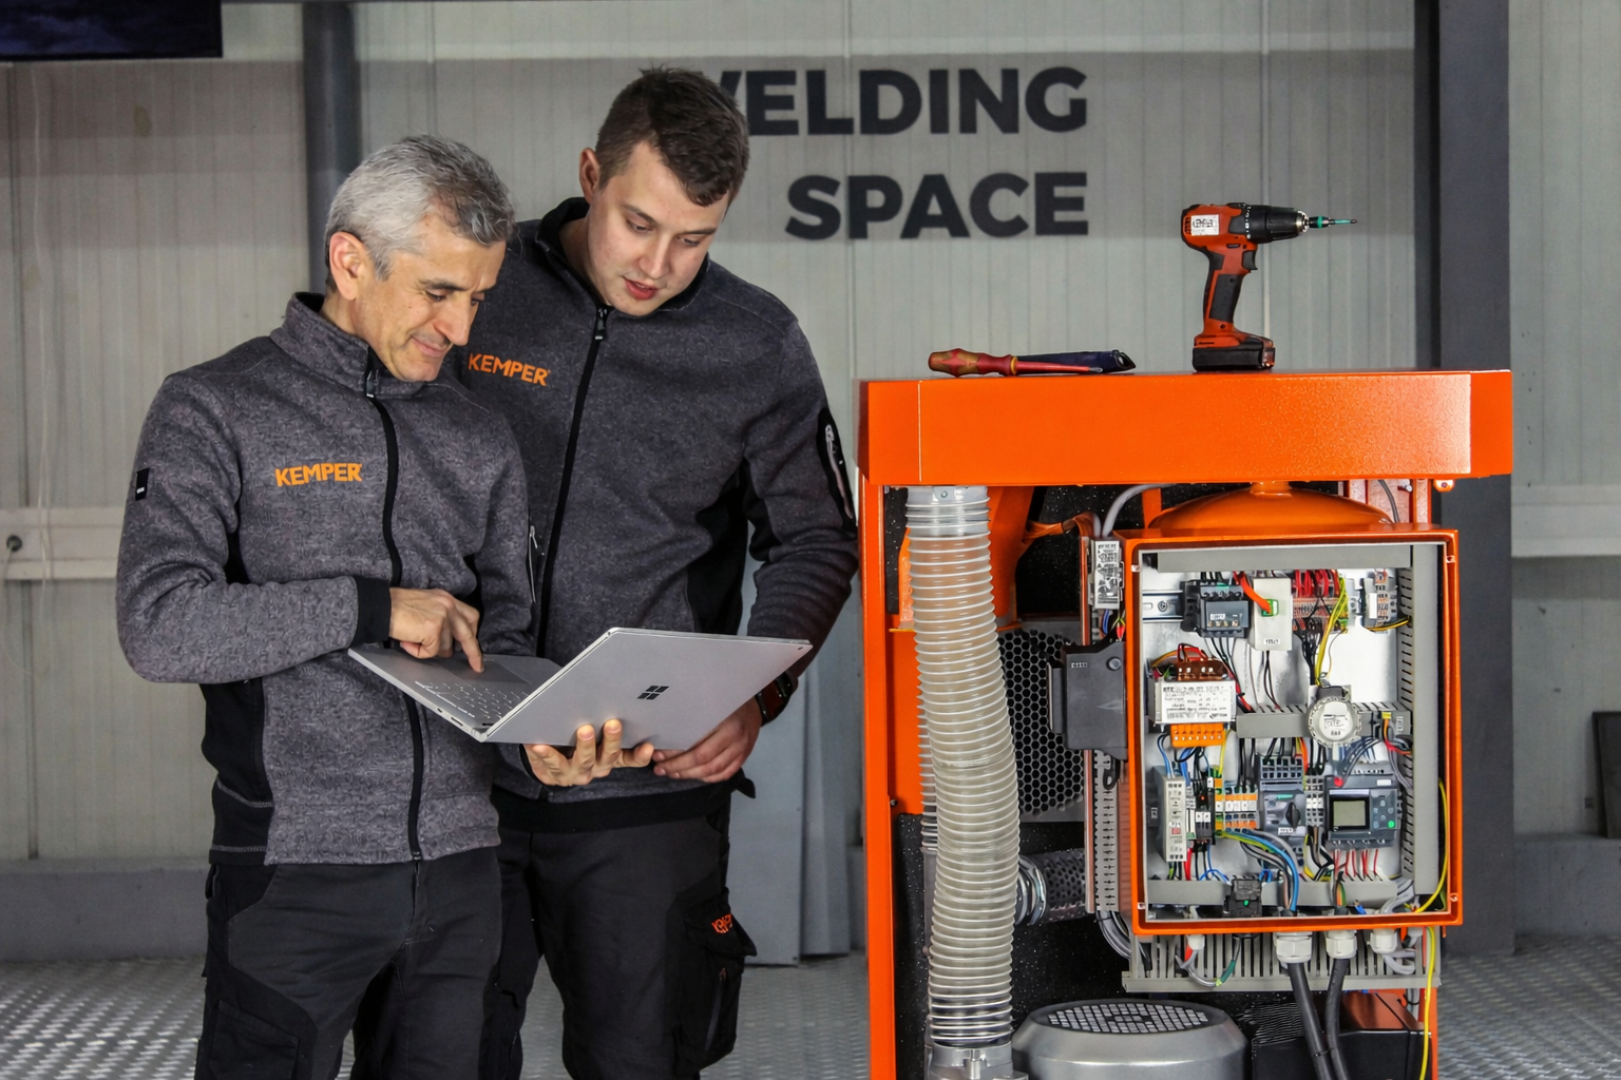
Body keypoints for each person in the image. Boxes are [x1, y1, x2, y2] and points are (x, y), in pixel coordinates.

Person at [465, 69, 860, 1080]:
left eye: (694, 239)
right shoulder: (480, 290)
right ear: (589, 176)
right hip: (456, 774)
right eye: (638, 224)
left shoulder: (755, 344)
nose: (657, 265)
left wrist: (755, 695)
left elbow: (817, 540)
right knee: (438, 1057)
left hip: (645, 788)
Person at [115, 135, 534, 1080]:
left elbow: (508, 638)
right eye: (438, 292)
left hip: (463, 873)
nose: (460, 329)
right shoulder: (213, 409)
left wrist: (538, 739)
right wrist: (367, 608)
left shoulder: (478, 435)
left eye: (478, 298)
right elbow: (158, 625)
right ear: (351, 261)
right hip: (294, 872)